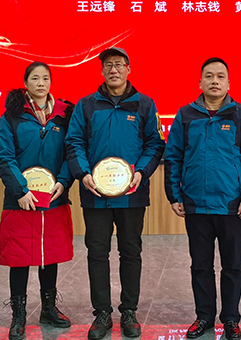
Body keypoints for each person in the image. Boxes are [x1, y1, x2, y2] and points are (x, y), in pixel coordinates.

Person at [66, 47, 165, 339]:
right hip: (94, 194)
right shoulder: (86, 105)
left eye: (119, 64)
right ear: (102, 70)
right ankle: (102, 313)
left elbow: (155, 144)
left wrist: (141, 172)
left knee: (130, 251)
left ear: (128, 69)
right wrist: (83, 174)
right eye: (108, 65)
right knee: (97, 252)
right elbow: (73, 142)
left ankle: (129, 311)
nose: (113, 70)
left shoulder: (145, 104)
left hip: (132, 194)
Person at [164, 57, 241, 340]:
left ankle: (231, 318)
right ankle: (204, 316)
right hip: (195, 205)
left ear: (229, 83)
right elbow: (173, 157)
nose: (215, 81)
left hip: (231, 205)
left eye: (220, 76)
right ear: (200, 82)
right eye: (209, 76)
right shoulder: (185, 115)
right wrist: (174, 194)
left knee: (233, 266)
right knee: (200, 266)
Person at [0, 61, 74, 340]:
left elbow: (71, 153)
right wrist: (21, 191)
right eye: (35, 78)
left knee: (49, 253)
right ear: (26, 83)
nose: (41, 83)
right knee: (19, 256)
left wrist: (63, 181)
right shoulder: (11, 117)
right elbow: (3, 157)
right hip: (21, 199)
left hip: (54, 198)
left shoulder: (64, 116)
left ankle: (48, 308)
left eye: (46, 78)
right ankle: (18, 315)